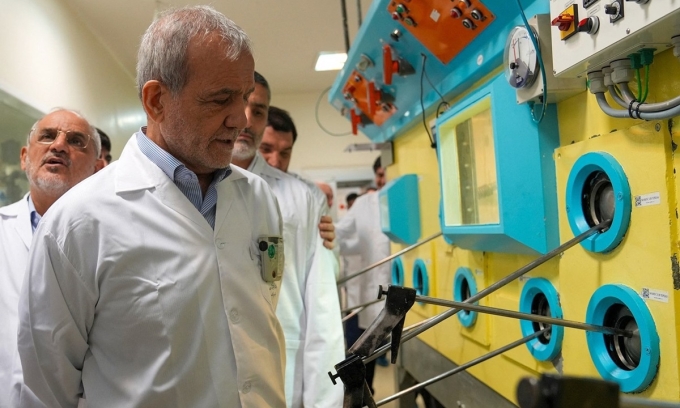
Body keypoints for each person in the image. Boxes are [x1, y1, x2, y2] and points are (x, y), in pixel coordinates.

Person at [17, 7, 286, 407]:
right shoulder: (78, 223)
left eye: (245, 98)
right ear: (157, 100)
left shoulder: (259, 198)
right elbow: (47, 390)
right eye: (221, 99)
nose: (241, 119)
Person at [231, 71, 344, 407]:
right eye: (238, 103)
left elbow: (322, 305)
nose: (246, 118)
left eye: (258, 110)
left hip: (282, 365)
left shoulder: (303, 198)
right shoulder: (190, 188)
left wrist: (325, 400)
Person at [0, 109, 104, 407]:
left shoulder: (114, 240)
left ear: (98, 169)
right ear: (24, 157)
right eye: (47, 136)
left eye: (76, 141)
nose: (58, 145)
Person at [335, 156, 391, 393]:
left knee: (381, 350)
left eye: (386, 172)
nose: (382, 179)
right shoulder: (364, 204)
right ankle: (362, 394)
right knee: (363, 352)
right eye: (379, 174)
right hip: (369, 297)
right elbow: (339, 234)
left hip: (403, 291)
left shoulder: (409, 198)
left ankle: (366, 391)